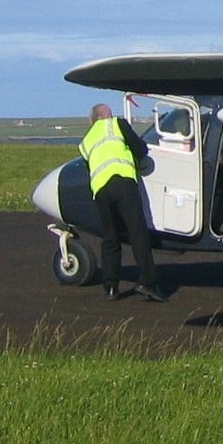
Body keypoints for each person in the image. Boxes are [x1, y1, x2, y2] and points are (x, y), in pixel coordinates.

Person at [80, 101, 168, 302]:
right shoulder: (117, 124)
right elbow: (140, 150)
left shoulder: (86, 140)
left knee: (110, 237)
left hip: (101, 190)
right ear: (108, 114)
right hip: (122, 182)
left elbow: (90, 166)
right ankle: (148, 282)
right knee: (138, 232)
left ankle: (110, 287)